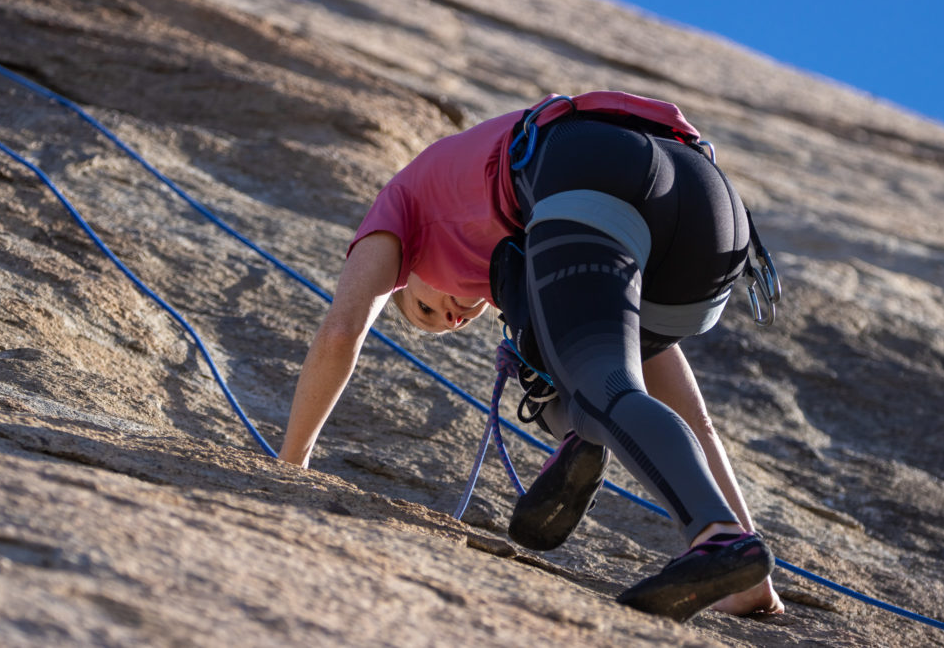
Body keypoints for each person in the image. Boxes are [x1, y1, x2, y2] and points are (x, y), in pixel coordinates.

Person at [279, 91, 784, 621]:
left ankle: (717, 535)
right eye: (444, 324)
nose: (450, 319)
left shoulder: (402, 202)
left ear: (406, 276)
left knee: (596, 385)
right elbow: (693, 418)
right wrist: (758, 587)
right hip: (709, 223)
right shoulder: (517, 241)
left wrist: (292, 467)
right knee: (567, 368)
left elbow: (341, 332)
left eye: (425, 309)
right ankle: (745, 578)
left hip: (596, 171)